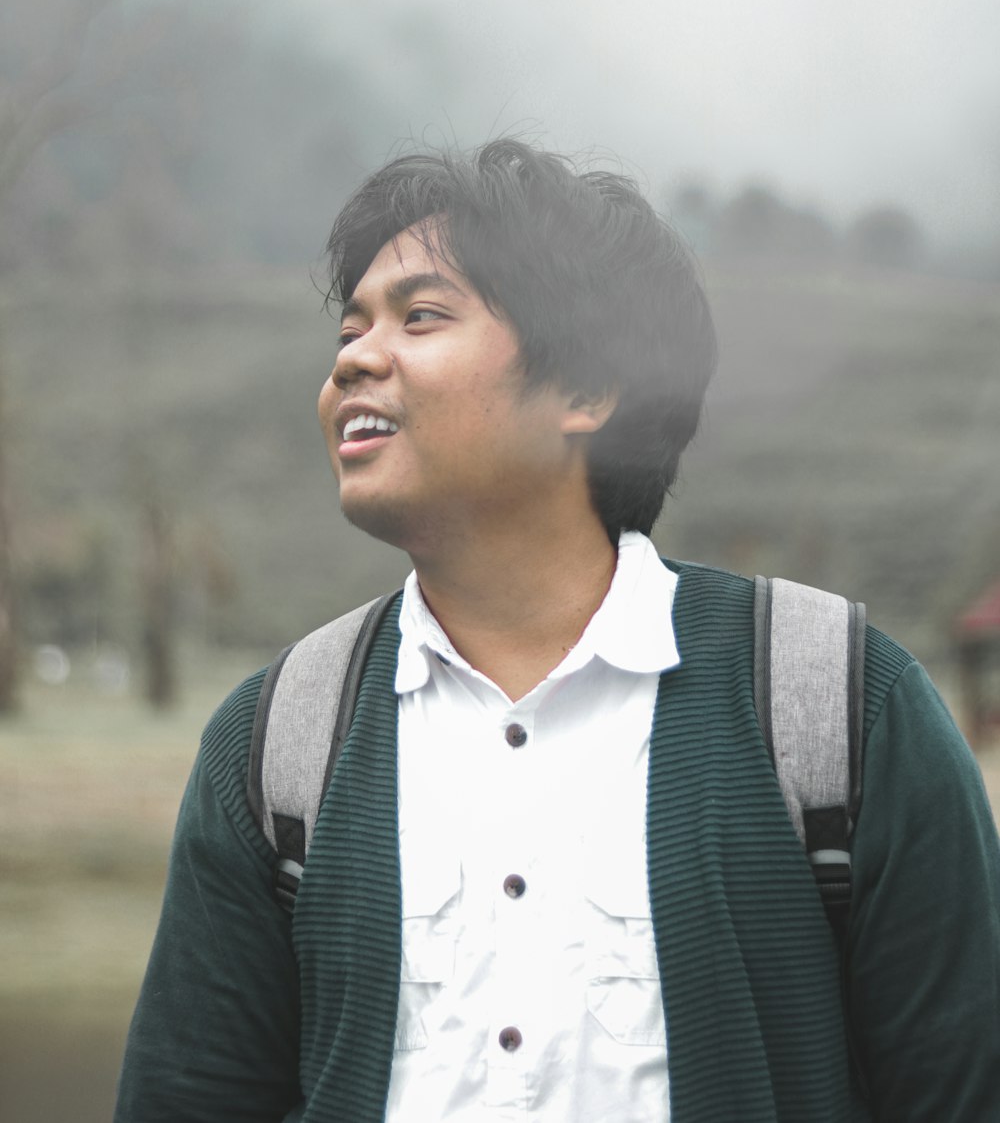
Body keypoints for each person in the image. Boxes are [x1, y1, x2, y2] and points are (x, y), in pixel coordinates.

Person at [116, 139, 1000, 1122]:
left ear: (586, 388)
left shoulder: (836, 707)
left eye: (420, 317)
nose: (355, 358)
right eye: (348, 332)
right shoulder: (274, 741)